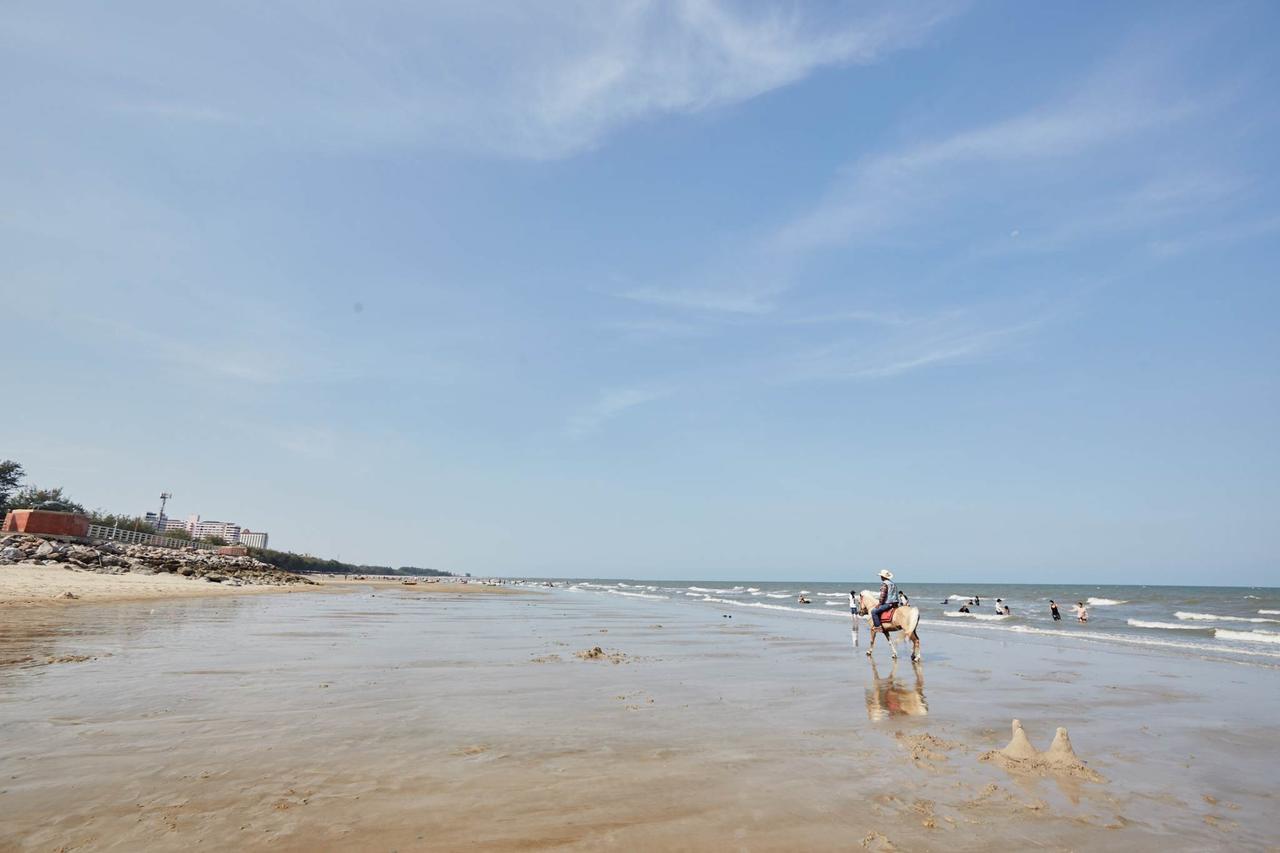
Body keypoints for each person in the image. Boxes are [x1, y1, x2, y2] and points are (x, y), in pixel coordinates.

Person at [870, 570, 897, 635]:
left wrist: (879, 603)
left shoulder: (885, 584)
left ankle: (878, 627)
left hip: (888, 603)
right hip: (895, 603)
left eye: (881, 576)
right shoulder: (892, 583)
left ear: (883, 577)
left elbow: (883, 595)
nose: (881, 577)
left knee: (874, 611)